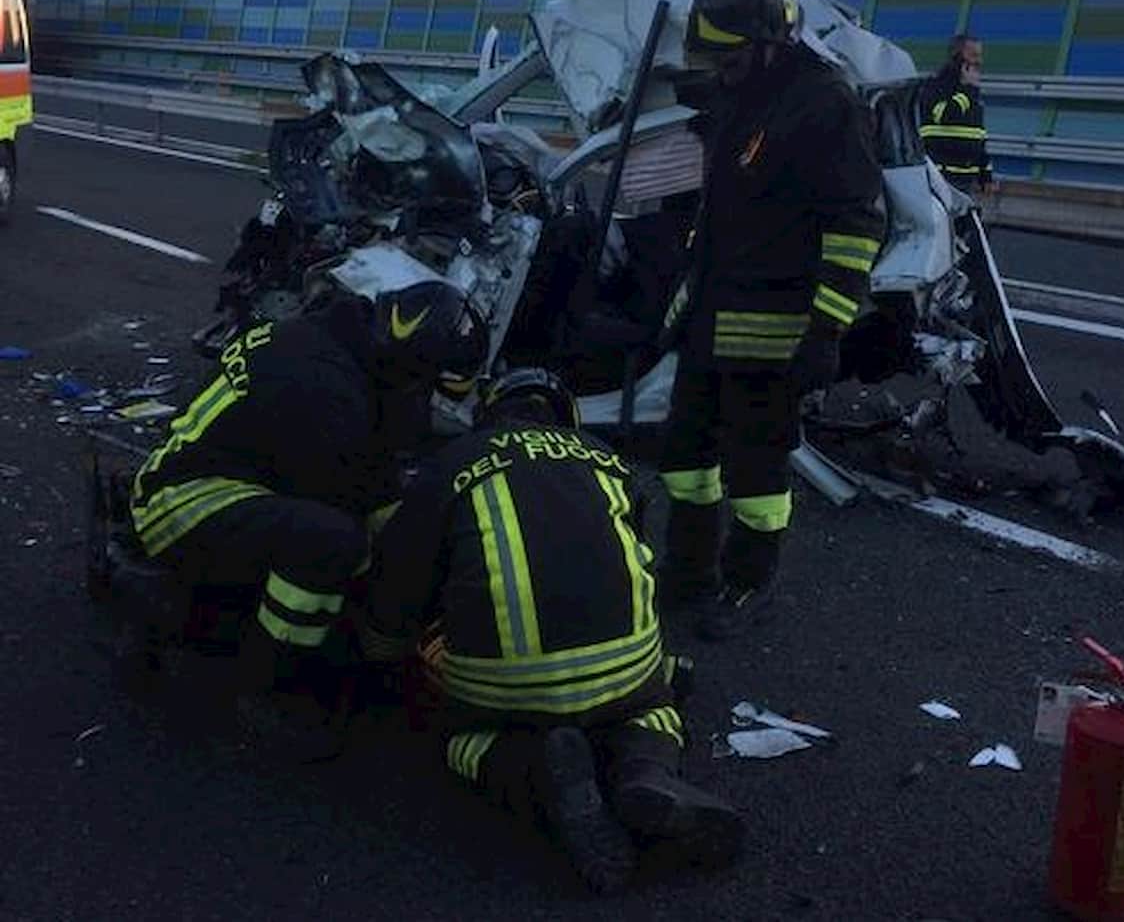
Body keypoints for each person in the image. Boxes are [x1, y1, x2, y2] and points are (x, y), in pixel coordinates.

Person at [363, 368, 744, 895]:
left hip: (504, 686)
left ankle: (532, 767)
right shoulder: (609, 459)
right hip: (628, 664)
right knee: (653, 707)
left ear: (489, 414)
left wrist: (382, 653)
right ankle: (641, 767)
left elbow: (401, 576)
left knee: (454, 732)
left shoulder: (450, 465)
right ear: (567, 414)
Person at [125, 280, 489, 757]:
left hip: (234, 479)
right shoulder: (323, 384)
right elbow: (352, 498)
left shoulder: (346, 347)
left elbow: (376, 475)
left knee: (349, 537)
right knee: (332, 544)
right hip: (181, 499)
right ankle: (266, 688)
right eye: (431, 384)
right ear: (411, 365)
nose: (429, 399)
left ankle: (228, 622)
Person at [658, 0, 886, 640]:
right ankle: (688, 572)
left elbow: (857, 223)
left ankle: (746, 582)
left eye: (729, 57)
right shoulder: (742, 93)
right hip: (710, 317)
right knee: (684, 458)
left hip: (774, 333)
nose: (719, 69)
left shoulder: (823, 102)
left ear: (766, 42)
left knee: (755, 475)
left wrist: (827, 328)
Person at [919, 33, 993, 197]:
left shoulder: (972, 92)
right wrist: (968, 91)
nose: (979, 62)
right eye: (973, 55)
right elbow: (945, 116)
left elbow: (979, 135)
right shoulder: (936, 86)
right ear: (957, 56)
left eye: (980, 56)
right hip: (941, 177)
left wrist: (985, 174)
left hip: (967, 179)